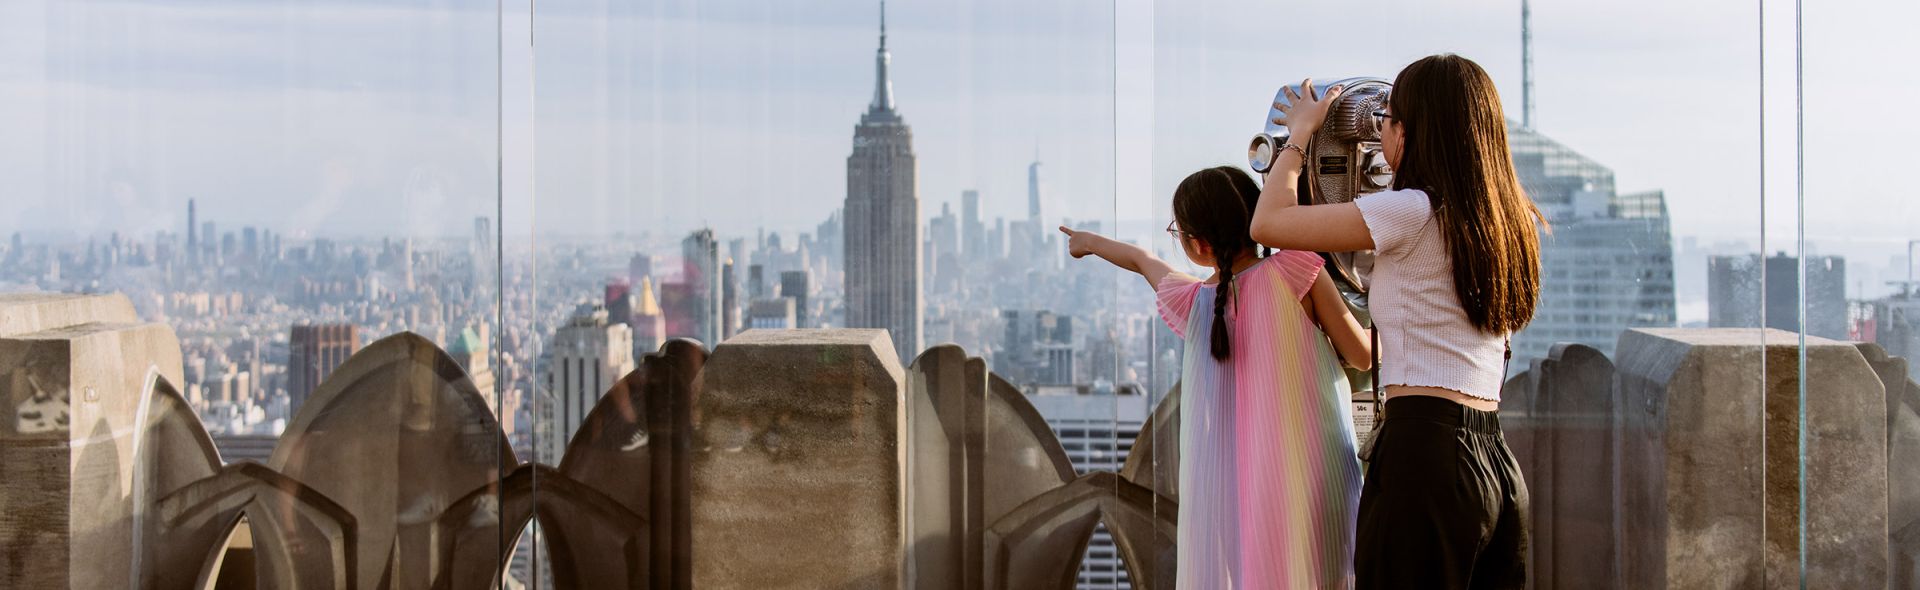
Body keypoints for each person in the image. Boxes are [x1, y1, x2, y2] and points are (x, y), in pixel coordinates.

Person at [1248, 55, 1543, 589]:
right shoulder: (1507, 219)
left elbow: (1270, 223)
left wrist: (1299, 138)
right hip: (1495, 460)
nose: (1381, 128)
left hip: (1424, 456)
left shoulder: (1410, 211)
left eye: (1388, 118)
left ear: (1410, 132)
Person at [1061, 165, 1372, 589]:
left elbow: (1141, 260)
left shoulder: (1195, 303)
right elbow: (1363, 355)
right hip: (1314, 479)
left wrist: (1089, 243)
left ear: (1197, 243)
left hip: (1239, 502)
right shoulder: (1297, 270)